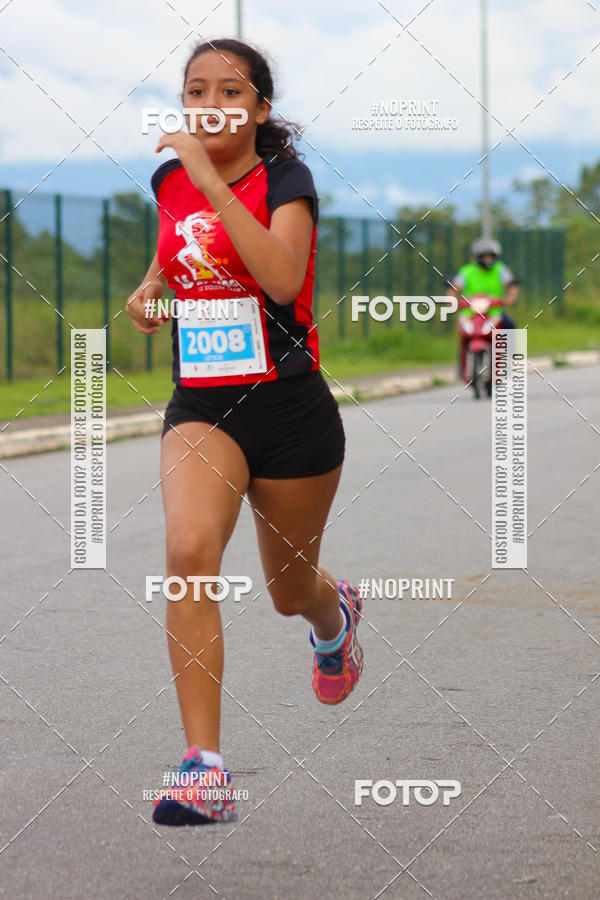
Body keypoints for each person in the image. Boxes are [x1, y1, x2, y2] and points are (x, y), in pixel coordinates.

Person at [126, 38, 364, 827]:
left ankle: (335, 621)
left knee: (290, 592)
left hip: (291, 413)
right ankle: (206, 770)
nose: (210, 102)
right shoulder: (167, 181)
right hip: (203, 407)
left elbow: (282, 277)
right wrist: (152, 291)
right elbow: (181, 261)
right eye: (196, 90)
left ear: (259, 108)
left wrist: (206, 177)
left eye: (230, 89)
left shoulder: (285, 180)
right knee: (189, 551)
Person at [446, 237, 520, 375]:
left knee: (510, 325)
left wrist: (511, 297)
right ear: (478, 257)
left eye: (491, 256)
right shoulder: (467, 271)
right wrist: (451, 299)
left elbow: (512, 285)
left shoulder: (500, 269)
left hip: (493, 311)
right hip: (470, 312)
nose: (488, 260)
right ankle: (461, 364)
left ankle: (511, 361)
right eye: (485, 256)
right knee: (464, 333)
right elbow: (453, 288)